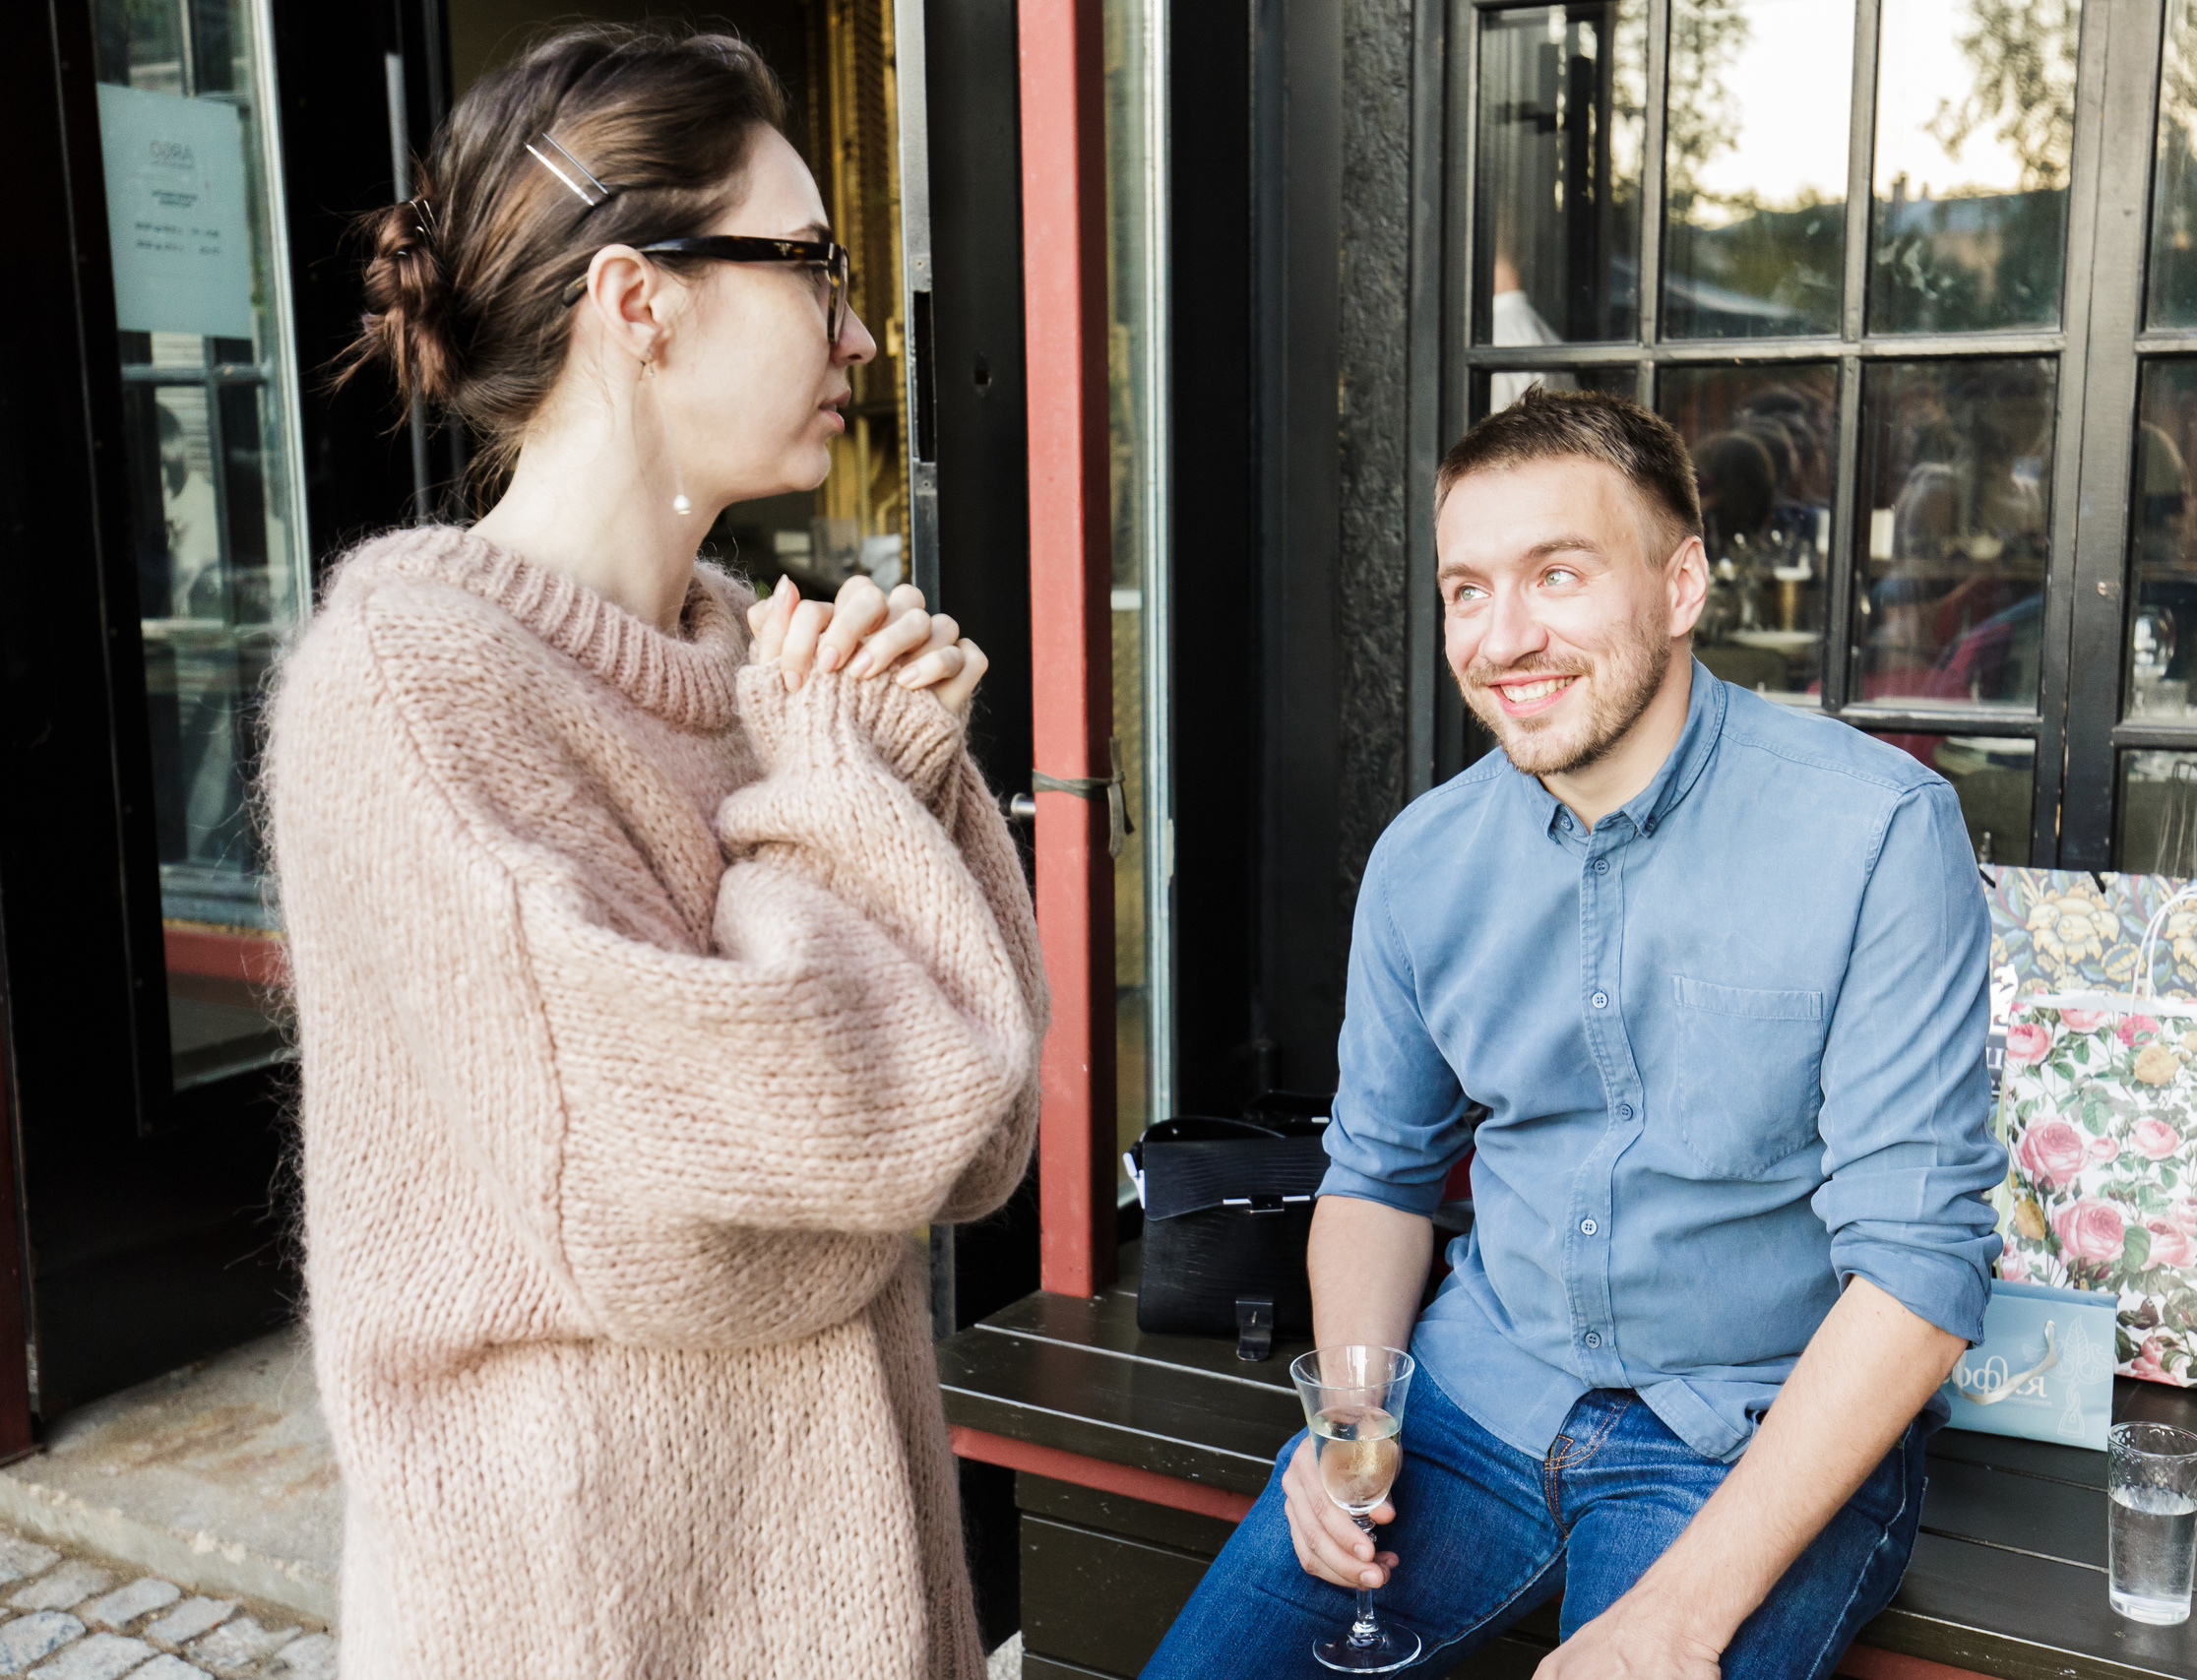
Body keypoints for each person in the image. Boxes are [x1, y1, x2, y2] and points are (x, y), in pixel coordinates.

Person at [261, 26, 1047, 1677]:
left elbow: (972, 1134)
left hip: (855, 1583)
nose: (858, 326)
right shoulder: (406, 684)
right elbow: (683, 1216)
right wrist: (847, 797)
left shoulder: (777, 662)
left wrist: (873, 780)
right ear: (640, 302)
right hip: (596, 1608)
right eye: (813, 261)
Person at [1143, 390, 2002, 1679]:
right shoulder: (1426, 861)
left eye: (1557, 574)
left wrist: (1676, 1614)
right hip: (1473, 1389)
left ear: (1681, 584)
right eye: (1468, 589)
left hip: (1750, 1427)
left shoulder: (1876, 833)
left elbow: (1924, 1270)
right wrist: (1353, 1420)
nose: (1506, 636)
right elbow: (1376, 1175)